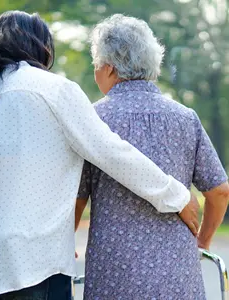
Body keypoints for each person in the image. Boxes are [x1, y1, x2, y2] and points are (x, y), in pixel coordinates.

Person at [0, 11, 199, 300]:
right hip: (31, 261)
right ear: (37, 46)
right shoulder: (52, 89)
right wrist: (176, 196)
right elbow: (112, 152)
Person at [76, 14, 229, 300]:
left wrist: (64, 242)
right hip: (178, 277)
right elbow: (219, 191)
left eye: (96, 64)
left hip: (113, 278)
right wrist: (203, 240)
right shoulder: (186, 118)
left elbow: (76, 198)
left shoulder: (91, 121)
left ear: (109, 68)